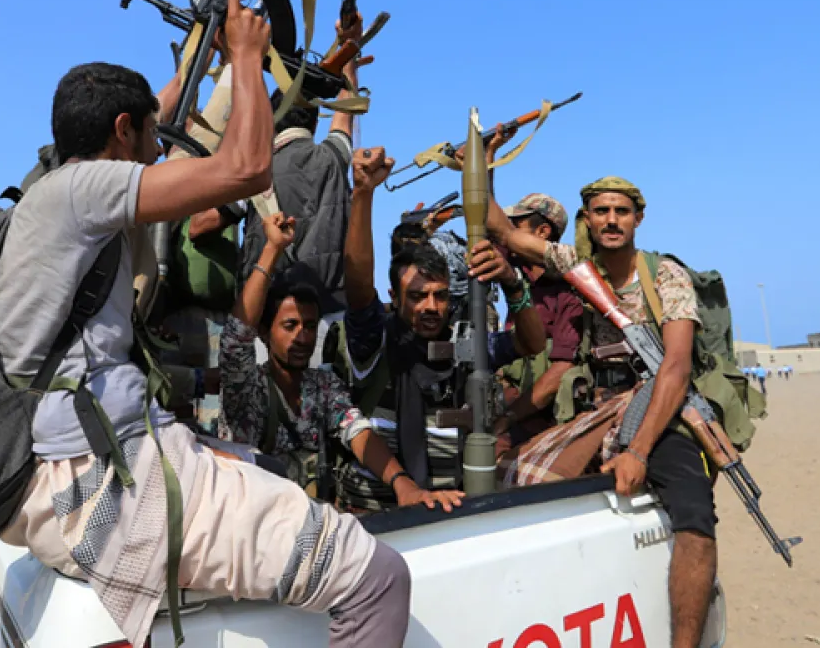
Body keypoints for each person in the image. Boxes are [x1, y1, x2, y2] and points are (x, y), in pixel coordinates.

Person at [0, 0, 409, 648]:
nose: (166, 146)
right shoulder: (86, 189)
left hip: (98, 455)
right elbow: (244, 166)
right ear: (121, 132)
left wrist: (215, 50)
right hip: (107, 478)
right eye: (153, 137)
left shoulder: (54, 187)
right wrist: (245, 54)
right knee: (379, 575)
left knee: (270, 473)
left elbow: (172, 110)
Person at [487, 175, 717, 648]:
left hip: (658, 406)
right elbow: (505, 233)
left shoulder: (663, 276)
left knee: (695, 513)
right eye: (601, 212)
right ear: (587, 219)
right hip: (595, 409)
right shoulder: (576, 265)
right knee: (522, 475)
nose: (611, 221)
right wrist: (485, 161)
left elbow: (674, 369)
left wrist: (639, 448)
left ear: (638, 218)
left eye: (622, 211)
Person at [340, 146, 547, 508]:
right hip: (372, 515)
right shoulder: (376, 340)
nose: (431, 307)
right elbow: (357, 284)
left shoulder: (464, 343)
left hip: (446, 510)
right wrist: (363, 194)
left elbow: (531, 343)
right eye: (418, 296)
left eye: (439, 295)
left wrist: (513, 284)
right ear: (394, 296)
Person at [218, 211, 462, 511]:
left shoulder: (322, 387)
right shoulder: (247, 386)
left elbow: (357, 432)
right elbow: (234, 338)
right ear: (265, 332)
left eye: (309, 326)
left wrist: (402, 483)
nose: (302, 337)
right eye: (289, 325)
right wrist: (272, 249)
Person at [236, 14, 368, 313]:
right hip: (329, 310)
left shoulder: (253, 171)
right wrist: (350, 48)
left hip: (267, 315)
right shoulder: (332, 157)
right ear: (313, 121)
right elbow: (345, 110)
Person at [489, 193, 585, 455]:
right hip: (503, 395)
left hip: (538, 411)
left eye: (516, 226)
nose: (509, 236)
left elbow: (560, 370)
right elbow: (489, 221)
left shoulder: (570, 291)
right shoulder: (516, 272)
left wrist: (507, 418)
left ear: (542, 232)